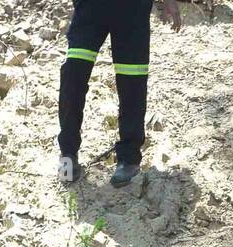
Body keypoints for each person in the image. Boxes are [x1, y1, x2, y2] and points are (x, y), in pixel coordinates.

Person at [57, 0, 182, 187]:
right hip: (90, 8)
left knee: (132, 80)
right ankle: (67, 155)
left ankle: (129, 159)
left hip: (132, 8)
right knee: (73, 73)